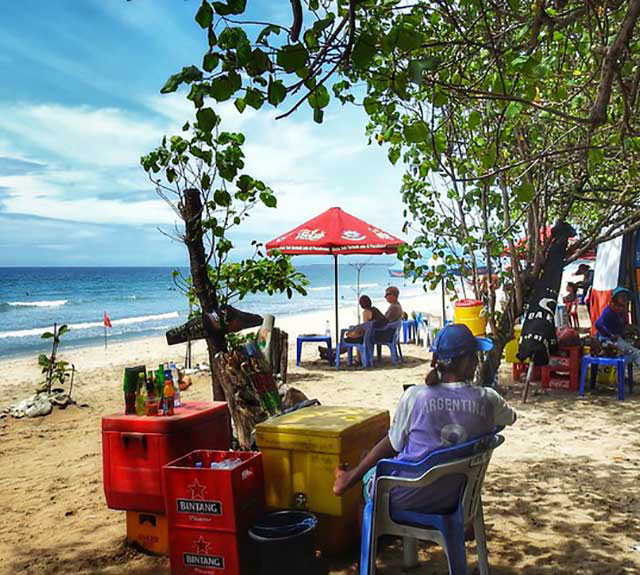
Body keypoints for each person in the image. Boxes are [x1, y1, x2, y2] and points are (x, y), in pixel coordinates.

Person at [333, 323, 517, 512]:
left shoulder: (416, 396)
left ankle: (364, 516)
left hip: (404, 497)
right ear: (468, 361)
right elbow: (511, 418)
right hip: (457, 498)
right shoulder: (488, 399)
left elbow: (393, 444)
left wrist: (356, 473)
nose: (477, 362)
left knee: (368, 480)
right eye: (475, 357)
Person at [595, 287, 640, 368]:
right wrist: (610, 335)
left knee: (633, 347)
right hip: (607, 341)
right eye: (619, 305)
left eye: (624, 305)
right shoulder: (608, 312)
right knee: (636, 353)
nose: (622, 308)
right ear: (611, 303)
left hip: (618, 340)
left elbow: (622, 328)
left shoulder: (621, 313)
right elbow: (597, 324)